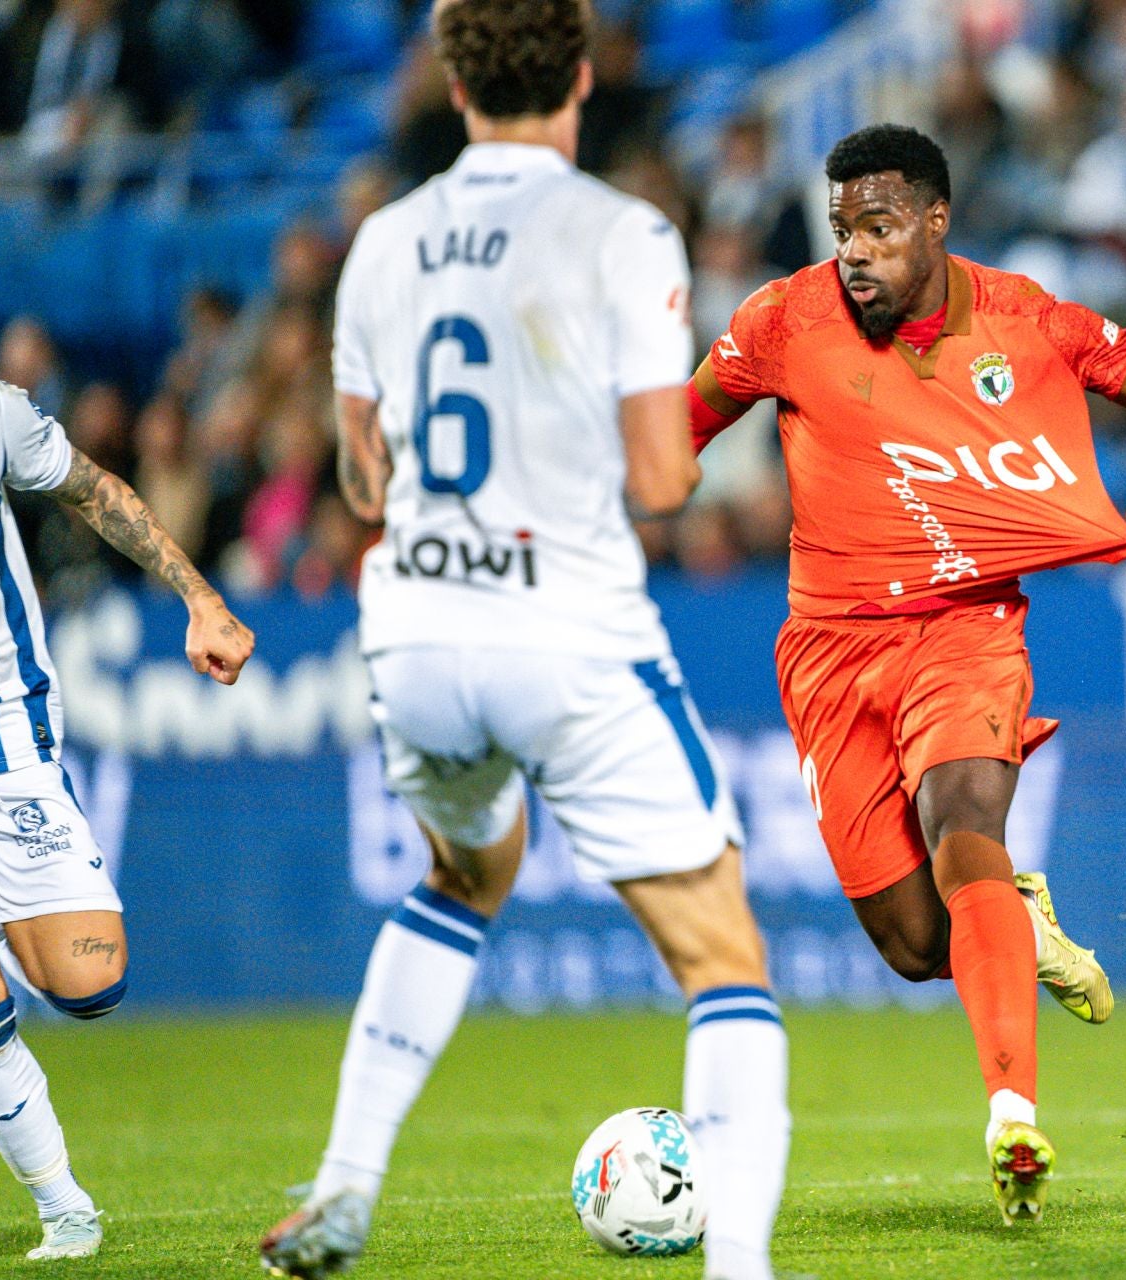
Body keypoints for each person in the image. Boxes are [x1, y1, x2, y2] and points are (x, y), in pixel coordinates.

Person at [689, 123, 1126, 1225]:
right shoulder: (784, 320)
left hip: (966, 631)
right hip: (828, 652)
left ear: (935, 220)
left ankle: (1011, 1110)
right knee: (915, 940)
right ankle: (1016, 914)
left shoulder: (1029, 321)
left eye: (877, 228)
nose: (855, 255)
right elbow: (673, 431)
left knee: (965, 818)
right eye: (842, 233)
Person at [259, 3, 788, 1279]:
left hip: (416, 635)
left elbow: (364, 478)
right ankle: (743, 1267)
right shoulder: (623, 231)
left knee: (462, 874)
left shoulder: (382, 240)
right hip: (564, 630)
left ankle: (343, 1185)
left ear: (450, 82)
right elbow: (664, 478)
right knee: (723, 955)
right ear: (586, 76)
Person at [0, 369, 254, 1260]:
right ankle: (66, 1208)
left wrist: (201, 597)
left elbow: (94, 491)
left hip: (2, 733)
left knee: (92, 981)